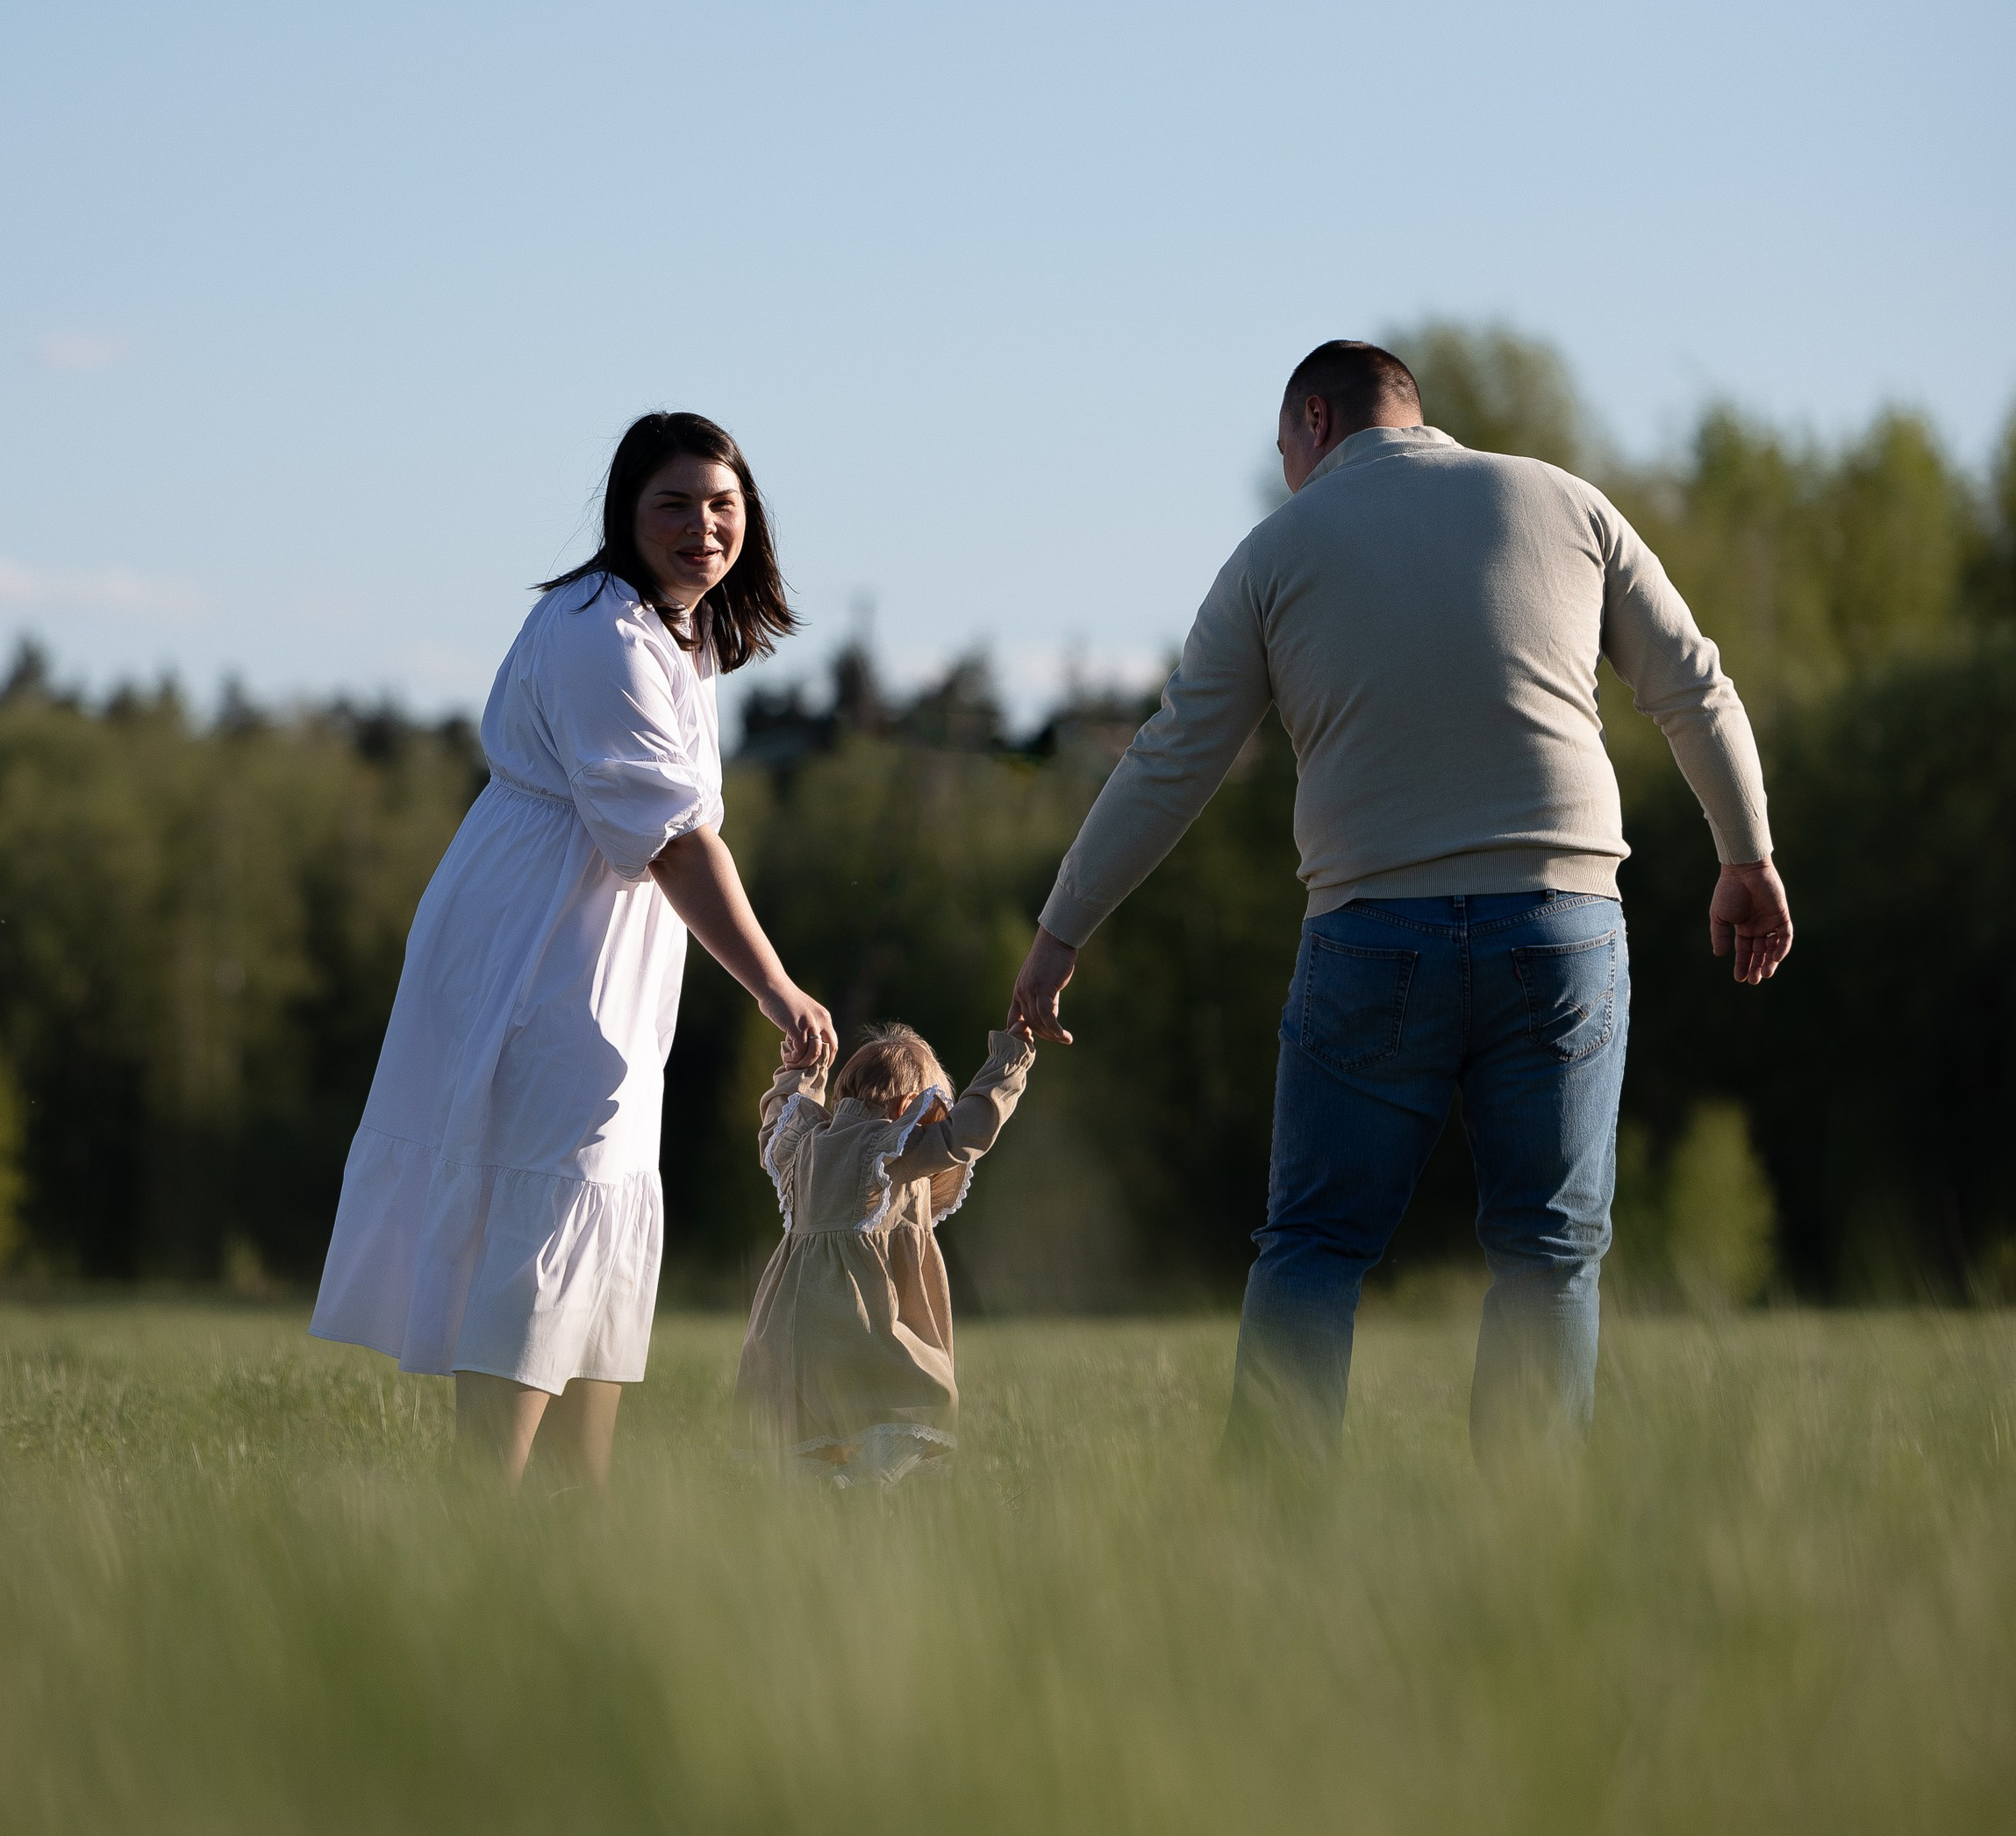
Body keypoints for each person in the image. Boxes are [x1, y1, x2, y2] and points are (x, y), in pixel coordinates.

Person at [1009, 340, 1794, 1459]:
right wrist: (1745, 854)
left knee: (1314, 1247)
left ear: (1315, 421)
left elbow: (1172, 758)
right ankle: (1526, 1531)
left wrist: (1061, 929)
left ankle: (1274, 1523)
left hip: (1372, 932)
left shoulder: (1275, 550)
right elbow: (1693, 685)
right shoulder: (1565, 502)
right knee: (1548, 1252)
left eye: (1283, 446)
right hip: (1561, 925)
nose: (1287, 471)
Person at [311, 411, 836, 1490]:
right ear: (624, 514)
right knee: (548, 1214)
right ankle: (487, 1512)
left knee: (595, 1208)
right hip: (541, 948)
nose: (702, 527)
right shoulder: (599, 628)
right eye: (673, 504)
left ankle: (572, 1523)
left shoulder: (676, 631)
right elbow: (674, 841)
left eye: (722, 505)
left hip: (603, 947)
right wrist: (776, 988)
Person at [734, 1021, 1035, 1484]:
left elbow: (779, 1115)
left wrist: (803, 1069)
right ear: (904, 1107)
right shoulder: (891, 1147)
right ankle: (874, 1480)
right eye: (930, 1111)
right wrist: (1009, 1061)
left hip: (790, 1328)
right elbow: (967, 1133)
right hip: (861, 1321)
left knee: (812, 1432)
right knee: (921, 1400)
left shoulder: (803, 1142)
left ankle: (823, 1487)